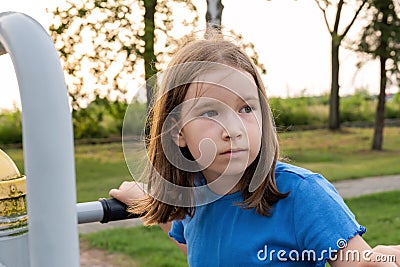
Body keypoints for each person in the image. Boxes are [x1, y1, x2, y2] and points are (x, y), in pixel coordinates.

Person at [110, 33, 400, 266]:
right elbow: (196, 248)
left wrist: (378, 259)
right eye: (210, 112)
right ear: (177, 132)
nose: (233, 128)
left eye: (246, 108)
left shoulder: (301, 194)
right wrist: (147, 199)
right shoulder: (194, 196)